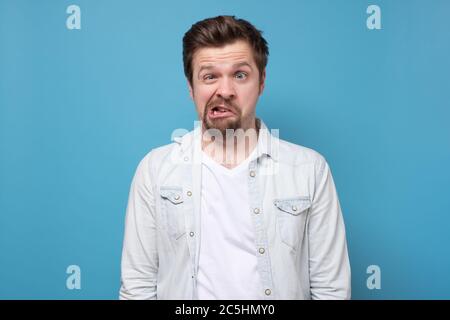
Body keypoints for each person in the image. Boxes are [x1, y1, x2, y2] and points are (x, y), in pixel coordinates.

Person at [119, 15, 351, 300]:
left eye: (240, 75)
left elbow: (331, 290)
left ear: (261, 81)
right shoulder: (155, 170)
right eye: (209, 76)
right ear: (191, 88)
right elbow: (138, 288)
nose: (225, 90)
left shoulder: (309, 169)